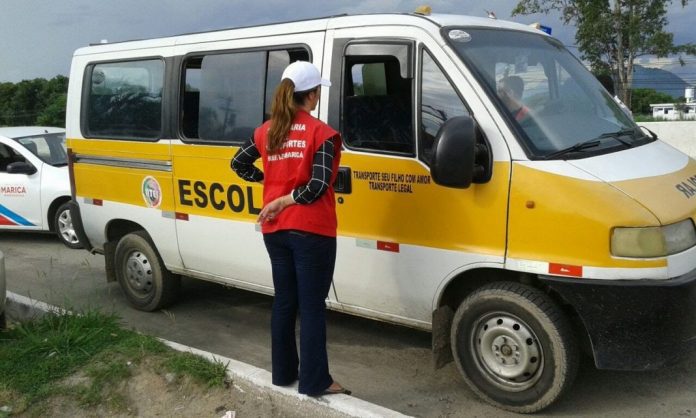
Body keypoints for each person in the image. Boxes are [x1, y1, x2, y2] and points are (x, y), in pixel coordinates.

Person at [230, 61, 349, 396]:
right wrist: (284, 200)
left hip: (275, 232)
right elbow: (318, 186)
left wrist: (270, 184)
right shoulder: (321, 133)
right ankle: (315, 381)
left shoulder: (267, 130)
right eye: (317, 92)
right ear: (310, 96)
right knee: (311, 307)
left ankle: (283, 374)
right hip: (312, 231)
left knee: (285, 301)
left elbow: (237, 163)